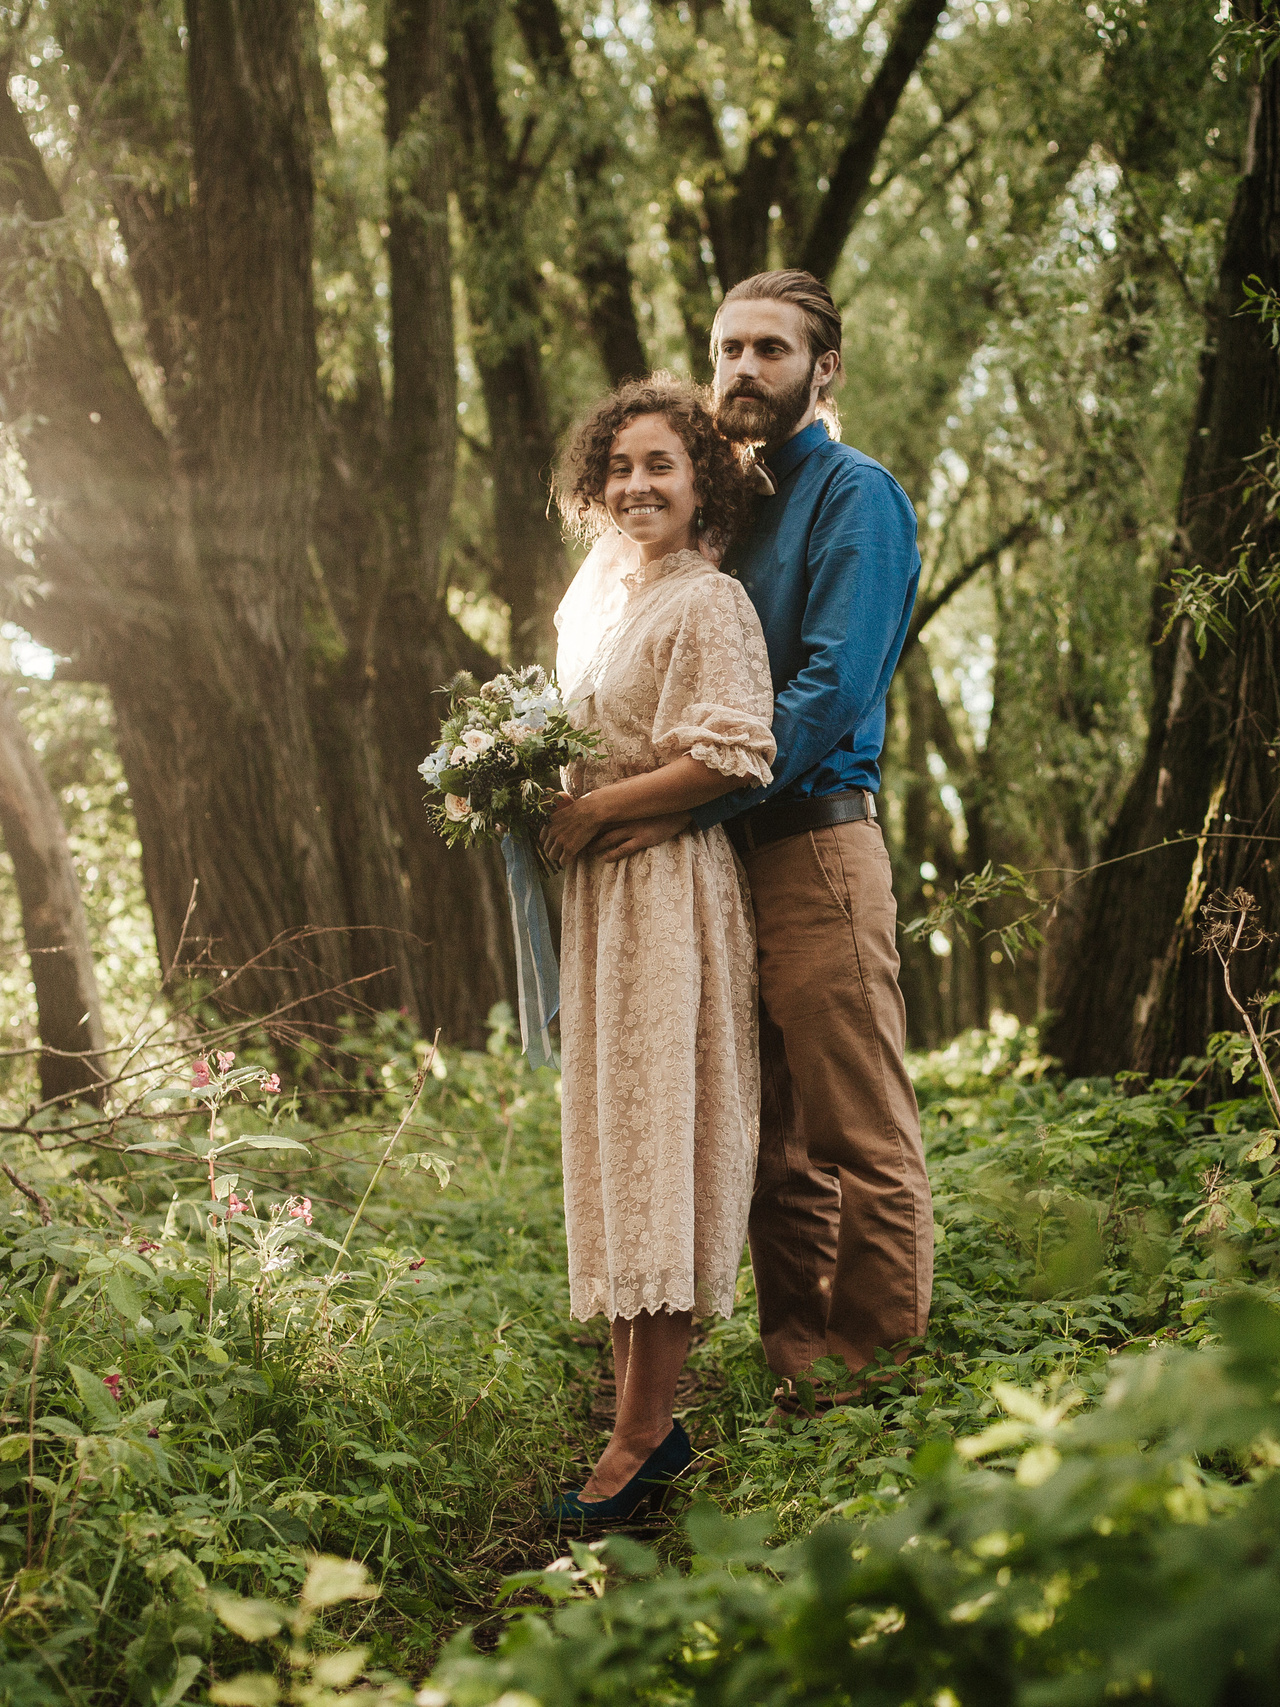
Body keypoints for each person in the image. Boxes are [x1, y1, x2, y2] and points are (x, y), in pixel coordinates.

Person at [583, 270, 931, 1410]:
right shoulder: (728, 507)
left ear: (822, 369)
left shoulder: (856, 496)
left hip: (814, 844)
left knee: (855, 1125)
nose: (741, 370)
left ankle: (872, 1373)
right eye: (727, 349)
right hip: (719, 858)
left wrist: (681, 799)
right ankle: (800, 1368)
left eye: (769, 351)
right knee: (774, 1142)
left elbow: (830, 688)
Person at [538, 376, 775, 1521]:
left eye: (661, 467)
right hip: (597, 899)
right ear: (598, 483)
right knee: (619, 1133)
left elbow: (733, 758)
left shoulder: (709, 602)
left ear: (699, 485)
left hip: (668, 886)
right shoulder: (592, 601)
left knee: (665, 1129)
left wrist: (598, 811)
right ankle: (647, 1421)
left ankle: (639, 1438)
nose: (638, 485)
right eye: (621, 467)